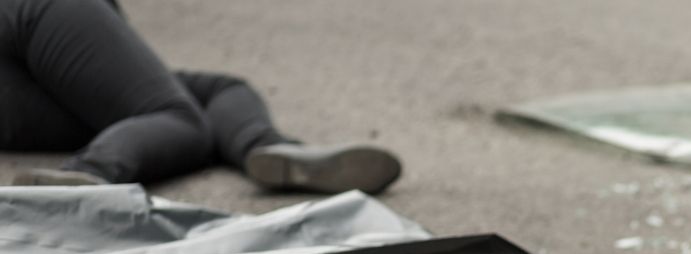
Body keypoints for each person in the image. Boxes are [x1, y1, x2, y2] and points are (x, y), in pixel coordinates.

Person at [0, 0, 400, 193]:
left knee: (208, 94)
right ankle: (88, 174)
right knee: (179, 116)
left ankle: (265, 149)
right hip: (36, 14)